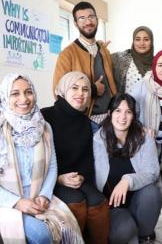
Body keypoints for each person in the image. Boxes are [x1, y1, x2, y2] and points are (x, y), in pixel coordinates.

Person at [0, 73, 83, 243]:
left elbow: (52, 166)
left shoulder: (44, 127)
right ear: (4, 97)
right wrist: (18, 202)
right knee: (42, 234)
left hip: (38, 196)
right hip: (6, 201)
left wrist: (44, 195)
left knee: (67, 228)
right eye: (15, 93)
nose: (24, 99)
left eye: (28, 92)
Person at [41, 72, 109, 243]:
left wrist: (81, 176)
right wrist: (59, 179)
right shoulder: (45, 116)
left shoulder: (86, 123)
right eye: (75, 88)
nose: (81, 93)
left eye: (85, 89)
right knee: (76, 202)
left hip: (77, 179)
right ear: (63, 90)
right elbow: (38, 159)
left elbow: (87, 160)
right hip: (51, 180)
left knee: (98, 202)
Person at [94, 93, 162, 243]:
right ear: (110, 114)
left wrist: (127, 180)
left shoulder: (144, 138)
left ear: (133, 116)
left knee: (152, 192)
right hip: (113, 206)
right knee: (124, 232)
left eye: (128, 112)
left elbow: (152, 172)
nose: (122, 117)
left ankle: (145, 236)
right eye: (118, 111)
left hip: (138, 201)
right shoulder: (97, 140)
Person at [53, 1, 117, 126]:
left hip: (109, 119)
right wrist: (92, 89)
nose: (88, 22)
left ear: (97, 20)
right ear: (75, 24)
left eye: (91, 17)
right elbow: (58, 92)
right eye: (82, 18)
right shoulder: (67, 54)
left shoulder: (104, 50)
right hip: (85, 121)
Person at [111, 26, 154, 94]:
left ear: (151, 41)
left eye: (146, 39)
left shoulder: (158, 63)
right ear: (133, 41)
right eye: (137, 39)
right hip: (125, 103)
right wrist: (100, 48)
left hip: (149, 104)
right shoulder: (120, 58)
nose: (142, 43)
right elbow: (103, 61)